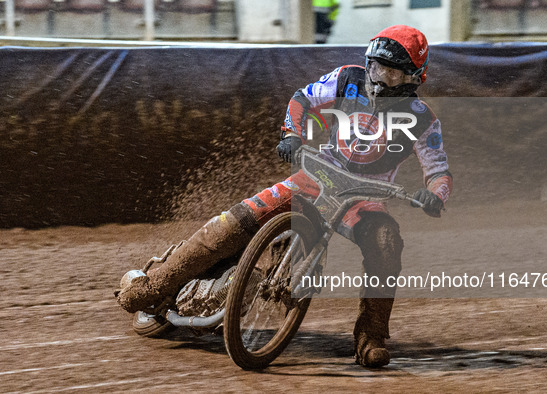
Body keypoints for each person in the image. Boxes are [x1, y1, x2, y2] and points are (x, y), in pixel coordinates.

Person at [117, 25, 453, 368]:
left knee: (385, 241)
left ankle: (371, 337)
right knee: (235, 221)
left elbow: (438, 169)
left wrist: (434, 195)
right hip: (315, 176)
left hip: (364, 198)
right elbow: (303, 97)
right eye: (376, 67)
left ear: (413, 78)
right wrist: (291, 133)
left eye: (392, 72)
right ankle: (154, 285)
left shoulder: (423, 119)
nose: (380, 79)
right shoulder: (347, 78)